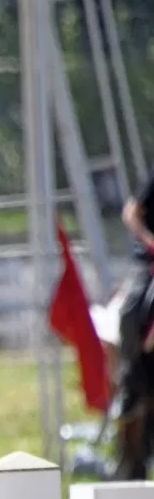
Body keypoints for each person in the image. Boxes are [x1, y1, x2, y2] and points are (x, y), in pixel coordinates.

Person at [113, 168, 154, 479]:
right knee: (132, 309)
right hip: (150, 261)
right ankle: (130, 370)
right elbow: (131, 212)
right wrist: (151, 240)